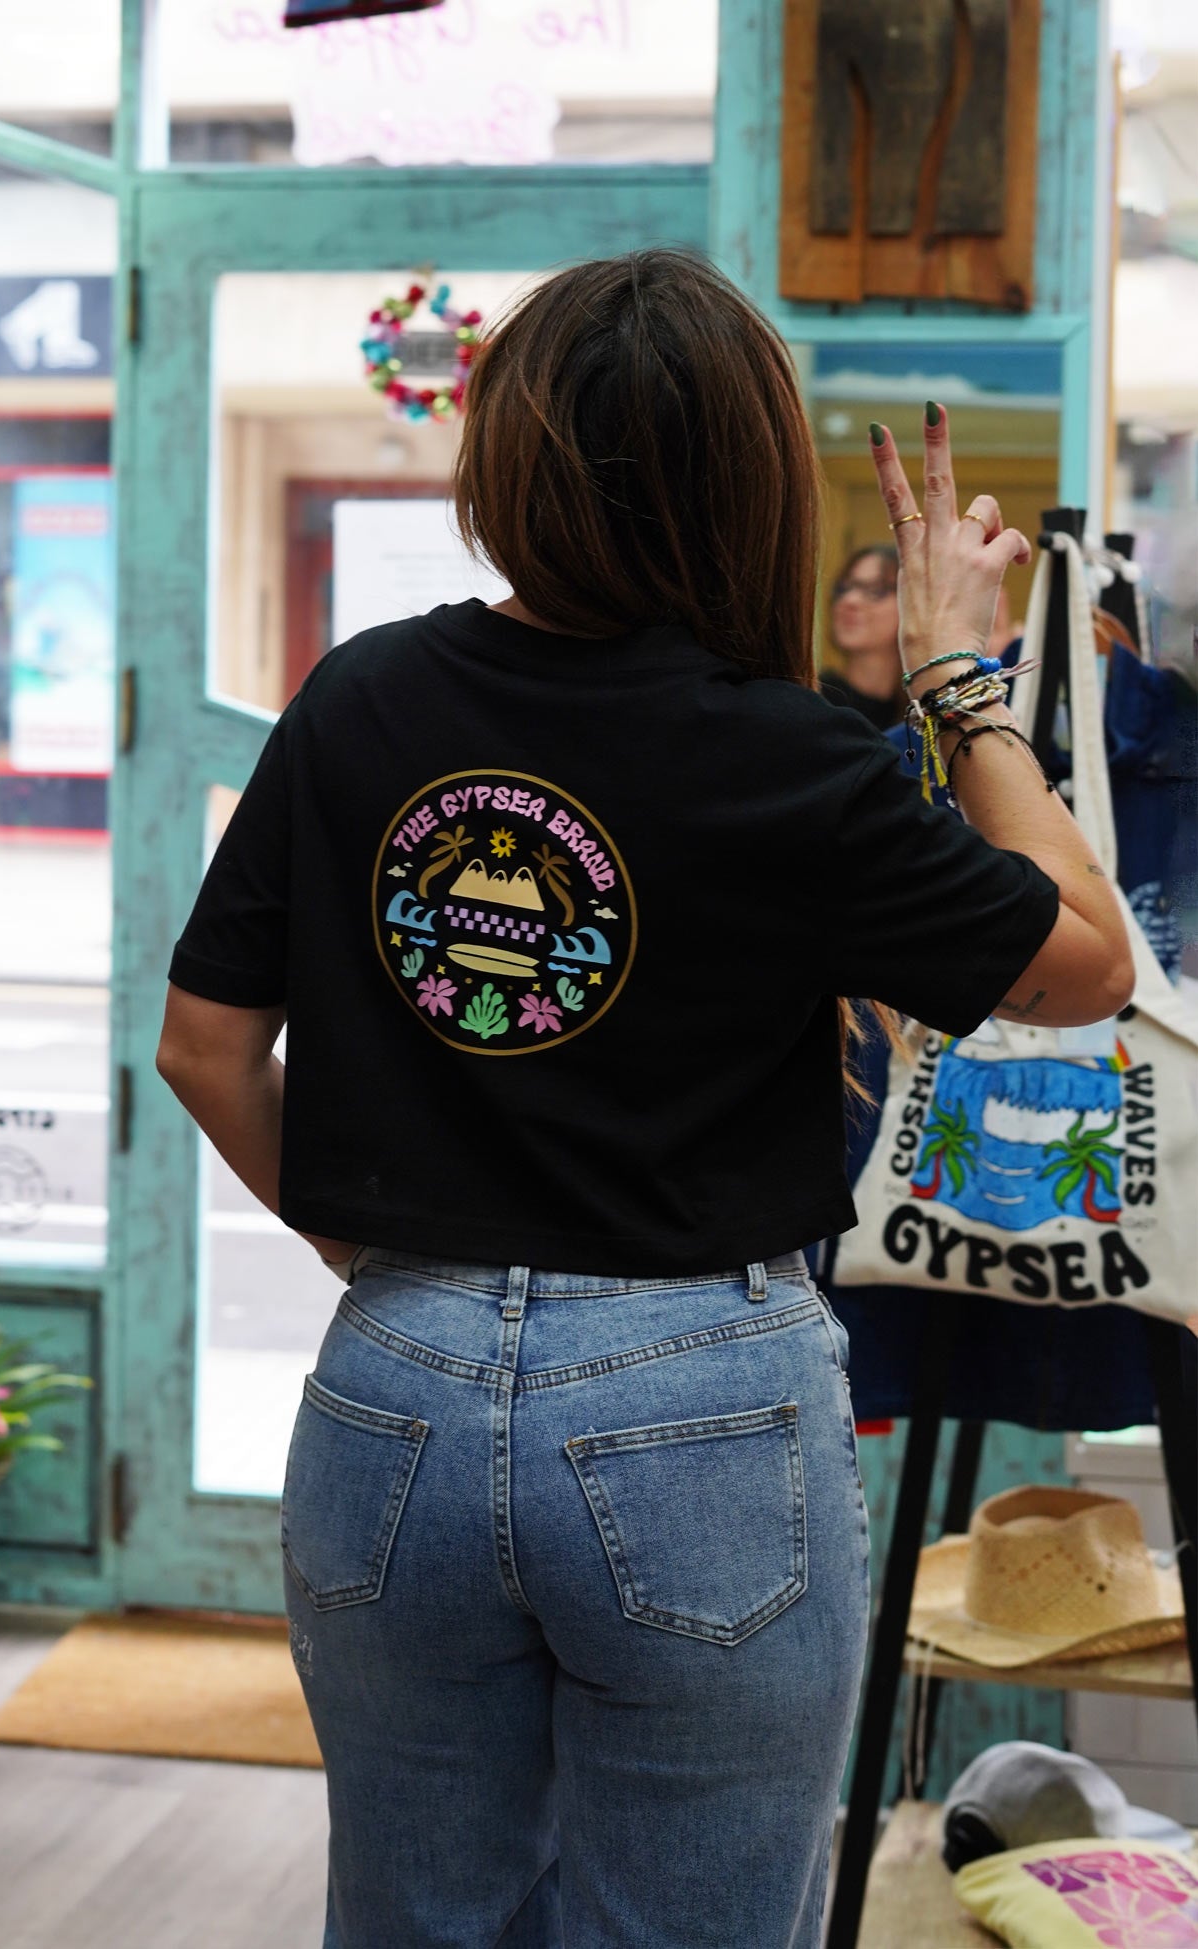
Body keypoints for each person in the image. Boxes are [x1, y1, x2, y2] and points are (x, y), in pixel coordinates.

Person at [156, 250, 1132, 1949]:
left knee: (413, 1911)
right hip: (700, 1397)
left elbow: (204, 1044)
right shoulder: (784, 755)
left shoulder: (361, 695)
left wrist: (387, 1262)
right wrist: (955, 675)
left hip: (394, 1386)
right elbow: (1083, 960)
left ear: (499, 463)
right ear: (745, 480)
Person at [819, 541, 905, 729]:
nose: (849, 600)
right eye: (843, 589)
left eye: (875, 590)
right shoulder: (814, 698)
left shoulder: (924, 710)